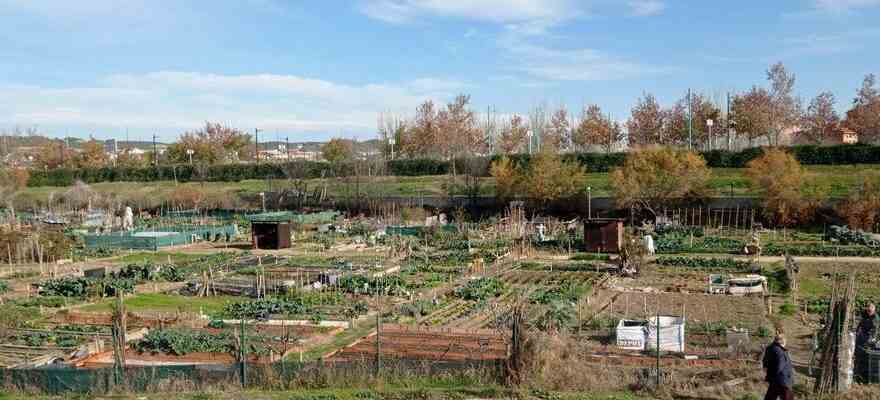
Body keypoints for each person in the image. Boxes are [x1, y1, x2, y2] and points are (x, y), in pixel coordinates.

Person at [762, 333, 794, 400]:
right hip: (783, 380)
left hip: (773, 380)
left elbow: (765, 363)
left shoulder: (769, 348)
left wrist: (769, 376)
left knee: (770, 398)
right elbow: (779, 366)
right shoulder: (780, 352)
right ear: (783, 341)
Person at [855, 303, 880, 382]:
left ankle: (865, 373)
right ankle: (858, 371)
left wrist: (871, 339)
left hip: (870, 337)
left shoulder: (876, 318)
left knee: (867, 355)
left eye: (870, 311)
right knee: (858, 353)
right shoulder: (865, 314)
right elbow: (860, 323)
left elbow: (875, 331)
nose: (869, 312)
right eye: (868, 310)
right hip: (862, 335)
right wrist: (857, 331)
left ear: (874, 311)